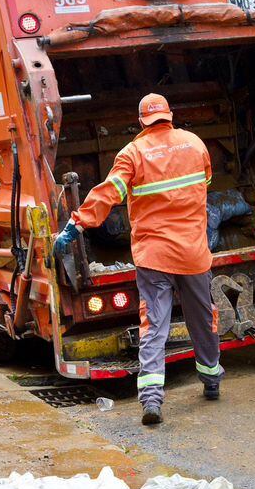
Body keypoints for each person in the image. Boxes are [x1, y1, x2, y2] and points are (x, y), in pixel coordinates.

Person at [55, 93, 220, 426]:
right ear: (169, 116)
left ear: (142, 121)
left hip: (154, 255)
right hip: (192, 252)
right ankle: (212, 380)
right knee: (202, 319)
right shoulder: (194, 144)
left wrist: (76, 225)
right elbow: (207, 181)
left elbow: (108, 193)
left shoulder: (133, 153)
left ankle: (151, 398)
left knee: (154, 325)